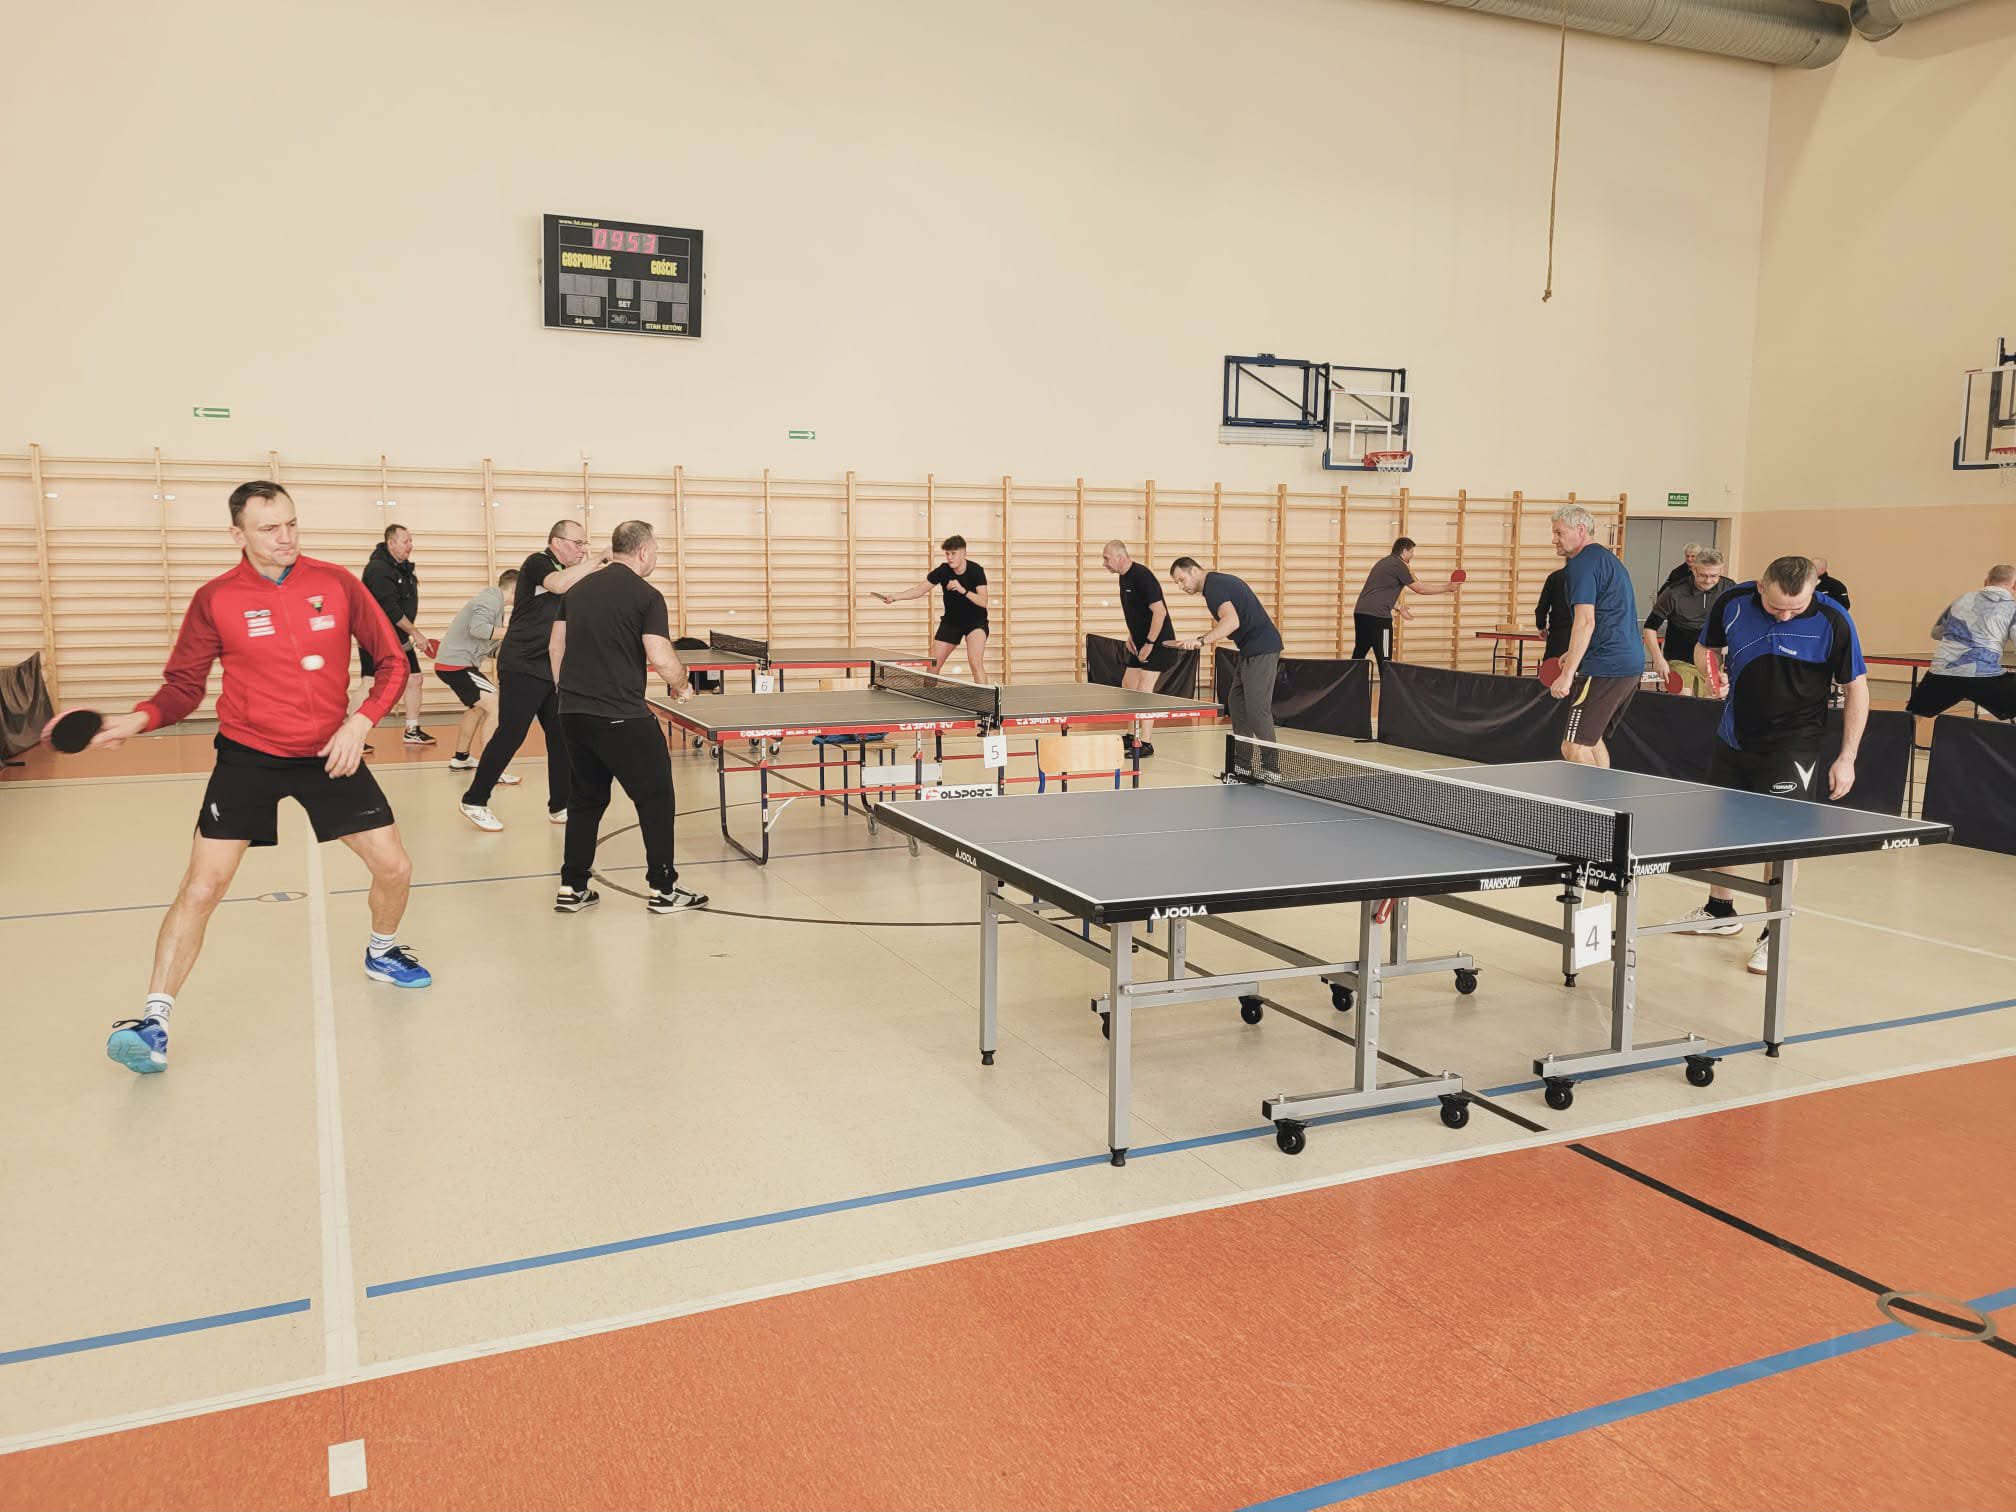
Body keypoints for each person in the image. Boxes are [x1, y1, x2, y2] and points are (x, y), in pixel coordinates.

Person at [87, 482, 431, 1075]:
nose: (285, 537)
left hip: (329, 750)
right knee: (203, 887)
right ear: (237, 534)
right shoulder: (215, 599)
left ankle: (381, 951)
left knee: (395, 867)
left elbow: (392, 662)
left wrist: (360, 722)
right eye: (270, 528)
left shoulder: (337, 584)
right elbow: (183, 686)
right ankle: (153, 1021)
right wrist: (140, 719)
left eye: (292, 524)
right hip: (249, 755)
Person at [1672, 555, 1870, 974]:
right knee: (1722, 826)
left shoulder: (1834, 620)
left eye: (1795, 609)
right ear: (1761, 586)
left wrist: (1847, 757)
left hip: (1794, 743)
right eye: (1777, 606)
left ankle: (1772, 933)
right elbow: (1706, 648)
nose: (1784, 616)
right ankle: (1719, 911)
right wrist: (1711, 674)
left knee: (1781, 840)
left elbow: (1857, 688)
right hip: (1735, 735)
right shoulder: (1733, 603)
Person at [548, 520, 709, 916]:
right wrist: (681, 685)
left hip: (573, 713)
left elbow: (556, 646)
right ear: (642, 551)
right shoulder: (646, 595)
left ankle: (573, 886)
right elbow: (660, 655)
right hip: (621, 714)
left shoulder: (577, 589)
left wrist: (567, 692)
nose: (655, 558)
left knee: (585, 799)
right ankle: (664, 889)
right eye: (656, 551)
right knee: (656, 798)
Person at [459, 521, 603, 832]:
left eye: (585, 544)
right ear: (556, 542)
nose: (582, 549)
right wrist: (600, 557)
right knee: (511, 733)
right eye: (578, 543)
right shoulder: (538, 563)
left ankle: (560, 805)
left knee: (561, 735)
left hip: (549, 666)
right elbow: (558, 585)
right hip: (521, 664)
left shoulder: (572, 574)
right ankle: (475, 799)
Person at [1546, 505, 1643, 768]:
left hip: (1605, 664)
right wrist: (1573, 653)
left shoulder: (1581, 564)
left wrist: (1568, 674)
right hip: (1629, 664)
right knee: (1591, 739)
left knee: (1573, 746)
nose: (1554, 539)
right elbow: (1610, 614)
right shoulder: (1607, 559)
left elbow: (1586, 621)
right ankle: (1604, 794)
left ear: (1580, 530)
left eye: (1559, 532)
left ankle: (1591, 796)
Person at [1168, 557, 1281, 757]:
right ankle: (1243, 764)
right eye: (1177, 582)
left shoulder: (1214, 587)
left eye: (1181, 580)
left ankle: (1271, 767)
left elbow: (1231, 621)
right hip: (1249, 649)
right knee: (1237, 704)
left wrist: (1201, 641)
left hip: (1262, 648)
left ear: (1194, 571)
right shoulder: (1214, 585)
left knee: (1257, 710)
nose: (1181, 586)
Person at [436, 568, 521, 780]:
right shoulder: (491, 599)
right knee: (496, 706)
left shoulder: (495, 604)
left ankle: (461, 758)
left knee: (478, 708)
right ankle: (491, 771)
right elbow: (479, 629)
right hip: (457, 665)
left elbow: (487, 646)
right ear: (515, 588)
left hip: (456, 664)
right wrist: (517, 632)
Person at [1905, 564, 2016, 721]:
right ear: (2014, 586)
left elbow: (1937, 632)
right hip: (1983, 674)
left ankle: (1899, 735)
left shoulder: (1961, 600)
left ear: (1986, 582)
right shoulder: (2012, 608)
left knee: (1915, 714)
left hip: (1942, 671)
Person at [871, 535, 988, 680]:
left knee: (975, 663)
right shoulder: (943, 570)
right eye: (947, 553)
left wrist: (962, 590)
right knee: (932, 667)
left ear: (964, 553)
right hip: (951, 622)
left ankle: (987, 695)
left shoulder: (976, 570)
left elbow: (983, 601)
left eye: (953, 553)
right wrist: (894, 597)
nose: (949, 557)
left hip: (975, 622)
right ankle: (928, 693)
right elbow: (919, 590)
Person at [360, 524, 432, 745]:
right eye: (405, 541)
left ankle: (411, 730)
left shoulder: (403, 568)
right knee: (370, 683)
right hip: (376, 637)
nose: (410, 545)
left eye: (411, 541)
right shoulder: (378, 570)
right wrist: (416, 633)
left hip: (399, 636)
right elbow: (390, 609)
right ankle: (353, 736)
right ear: (391, 543)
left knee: (414, 679)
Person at [1100, 539, 1171, 757]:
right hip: (1140, 642)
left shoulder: (1142, 576)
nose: (1104, 563)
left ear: (1120, 557)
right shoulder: (1123, 577)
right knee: (1129, 684)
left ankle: (1145, 743)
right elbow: (1136, 612)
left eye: (1106, 558)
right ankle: (1132, 736)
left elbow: (1159, 612)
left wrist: (1149, 643)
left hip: (1158, 642)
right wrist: (1132, 635)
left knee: (1143, 690)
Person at [1350, 537, 1461, 662]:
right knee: (1385, 658)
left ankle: (1351, 675)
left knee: (1359, 654)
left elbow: (1378, 592)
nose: (1413, 555)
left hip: (1361, 614)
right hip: (1379, 618)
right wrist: (1447, 587)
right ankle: (1387, 675)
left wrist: (1398, 607)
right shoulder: (1398, 565)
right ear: (1404, 551)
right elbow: (1420, 589)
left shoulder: (1384, 562)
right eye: (1411, 551)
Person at [1642, 547, 1729, 695]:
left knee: (1708, 704)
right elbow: (1649, 627)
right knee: (1684, 702)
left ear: (1721, 570)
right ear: (1694, 569)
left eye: (1714, 576)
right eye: (1703, 575)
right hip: (1679, 659)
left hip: (1712, 662)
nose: (1708, 580)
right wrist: (1658, 658)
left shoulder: (1729, 589)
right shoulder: (1674, 592)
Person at [1535, 566, 1572, 664]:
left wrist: (1541, 626)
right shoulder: (1589, 578)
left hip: (1558, 635)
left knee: (1552, 668)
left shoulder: (1555, 577)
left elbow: (1542, 606)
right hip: (1582, 634)